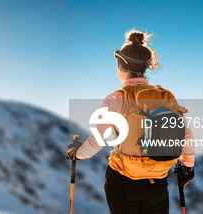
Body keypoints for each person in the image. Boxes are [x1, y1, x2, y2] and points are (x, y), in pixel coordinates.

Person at [66, 29, 195, 214]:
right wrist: (188, 168)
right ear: (145, 68)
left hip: (122, 183)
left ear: (121, 66)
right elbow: (187, 137)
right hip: (157, 183)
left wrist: (76, 153)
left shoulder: (116, 98)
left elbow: (97, 142)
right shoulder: (166, 96)